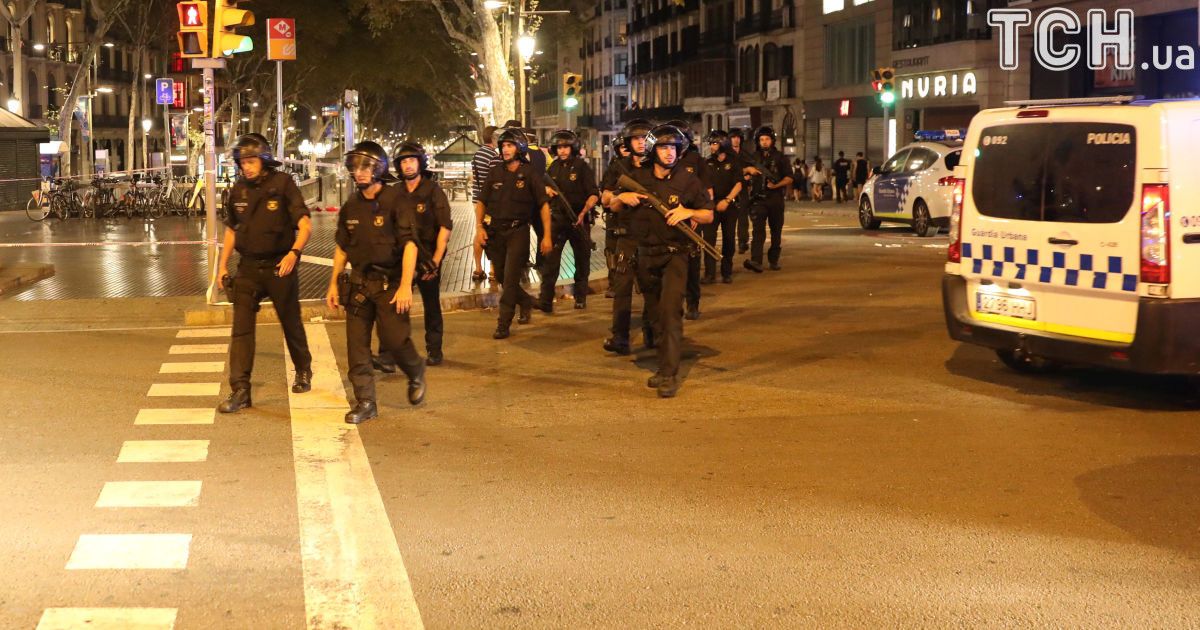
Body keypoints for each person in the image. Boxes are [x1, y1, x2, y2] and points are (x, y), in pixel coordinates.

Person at [324, 142, 427, 424]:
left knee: (394, 340)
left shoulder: (397, 200)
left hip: (389, 285)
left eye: (365, 167)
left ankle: (415, 370)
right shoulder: (351, 206)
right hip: (359, 285)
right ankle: (366, 402)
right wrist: (333, 284)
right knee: (356, 346)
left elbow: (410, 245)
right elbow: (342, 247)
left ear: (379, 168)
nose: (359, 172)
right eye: (355, 167)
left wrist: (405, 285)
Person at [611, 124, 714, 398]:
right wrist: (622, 197)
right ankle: (662, 365)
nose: (670, 153)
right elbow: (611, 203)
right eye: (664, 147)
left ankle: (669, 373)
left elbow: (708, 214)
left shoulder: (688, 180)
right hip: (645, 255)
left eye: (674, 148)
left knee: (670, 312)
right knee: (655, 314)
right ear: (653, 150)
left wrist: (688, 212)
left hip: (675, 255)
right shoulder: (638, 176)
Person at [216, 133, 313, 414]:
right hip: (248, 268)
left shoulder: (283, 184)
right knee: (241, 330)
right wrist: (222, 266)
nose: (246, 166)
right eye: (242, 162)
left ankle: (303, 369)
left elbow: (305, 224)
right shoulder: (238, 190)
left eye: (251, 161)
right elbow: (231, 230)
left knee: (290, 322)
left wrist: (294, 253)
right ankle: (240, 390)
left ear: (264, 159)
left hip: (279, 266)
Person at [475, 127, 553, 339]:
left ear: (519, 148)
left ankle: (503, 323)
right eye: (503, 146)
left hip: (518, 232)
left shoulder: (530, 174)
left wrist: (546, 236)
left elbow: (543, 205)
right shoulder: (495, 172)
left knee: (509, 281)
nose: (505, 149)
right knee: (501, 277)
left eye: (510, 145)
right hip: (495, 233)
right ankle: (526, 301)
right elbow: (481, 201)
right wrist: (479, 227)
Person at [393, 141, 452, 366]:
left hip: (428, 258)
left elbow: (445, 227)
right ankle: (390, 352)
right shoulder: (394, 192)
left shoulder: (433, 191)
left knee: (431, 305)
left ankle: (434, 350)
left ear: (420, 162)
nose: (408, 165)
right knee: (394, 306)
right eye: (403, 161)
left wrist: (436, 261)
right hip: (401, 259)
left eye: (412, 160)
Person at [599, 118, 652, 355]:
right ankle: (620, 337)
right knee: (622, 288)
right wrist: (620, 197)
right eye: (636, 139)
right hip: (627, 235)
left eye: (644, 138)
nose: (640, 143)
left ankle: (652, 332)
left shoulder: (657, 165)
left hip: (652, 236)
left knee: (652, 288)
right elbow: (605, 198)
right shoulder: (618, 167)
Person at [540, 129, 598, 312]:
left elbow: (593, 194)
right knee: (550, 262)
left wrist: (584, 212)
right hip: (558, 220)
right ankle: (545, 301)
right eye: (559, 147)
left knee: (582, 260)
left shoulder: (582, 167)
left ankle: (580, 297)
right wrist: (546, 190)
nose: (562, 150)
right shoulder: (552, 168)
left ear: (573, 147)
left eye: (566, 147)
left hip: (579, 220)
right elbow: (542, 190)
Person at [742, 126, 793, 273]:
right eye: (762, 139)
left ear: (772, 140)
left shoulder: (780, 157)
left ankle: (773, 260)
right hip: (758, 199)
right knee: (758, 231)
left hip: (775, 199)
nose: (764, 142)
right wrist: (748, 171)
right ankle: (756, 261)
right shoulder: (753, 157)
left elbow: (789, 178)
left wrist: (777, 184)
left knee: (776, 231)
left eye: (767, 139)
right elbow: (742, 173)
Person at [703, 129, 743, 284]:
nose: (712, 146)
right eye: (711, 143)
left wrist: (726, 201)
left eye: (714, 143)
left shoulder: (734, 162)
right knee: (708, 240)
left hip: (729, 206)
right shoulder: (707, 162)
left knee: (729, 239)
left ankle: (727, 272)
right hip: (711, 206)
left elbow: (739, 184)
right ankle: (709, 273)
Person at [470, 125, 500, 282]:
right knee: (492, 234)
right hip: (489, 202)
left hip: (477, 200)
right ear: (494, 138)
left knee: (479, 232)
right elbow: (496, 180)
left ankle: (478, 268)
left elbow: (474, 177)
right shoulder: (494, 156)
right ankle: (493, 270)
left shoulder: (476, 155)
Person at [602, 135, 630, 299]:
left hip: (634, 216)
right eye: (622, 147)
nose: (625, 150)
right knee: (611, 252)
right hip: (615, 215)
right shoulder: (613, 168)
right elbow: (605, 193)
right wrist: (617, 195)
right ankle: (613, 283)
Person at [728, 128, 751, 254]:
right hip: (729, 189)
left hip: (743, 189)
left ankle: (743, 242)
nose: (736, 140)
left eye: (738, 137)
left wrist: (749, 176)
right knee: (730, 218)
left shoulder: (745, 154)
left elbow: (752, 169)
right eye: (733, 137)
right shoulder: (726, 154)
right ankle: (730, 243)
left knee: (743, 217)